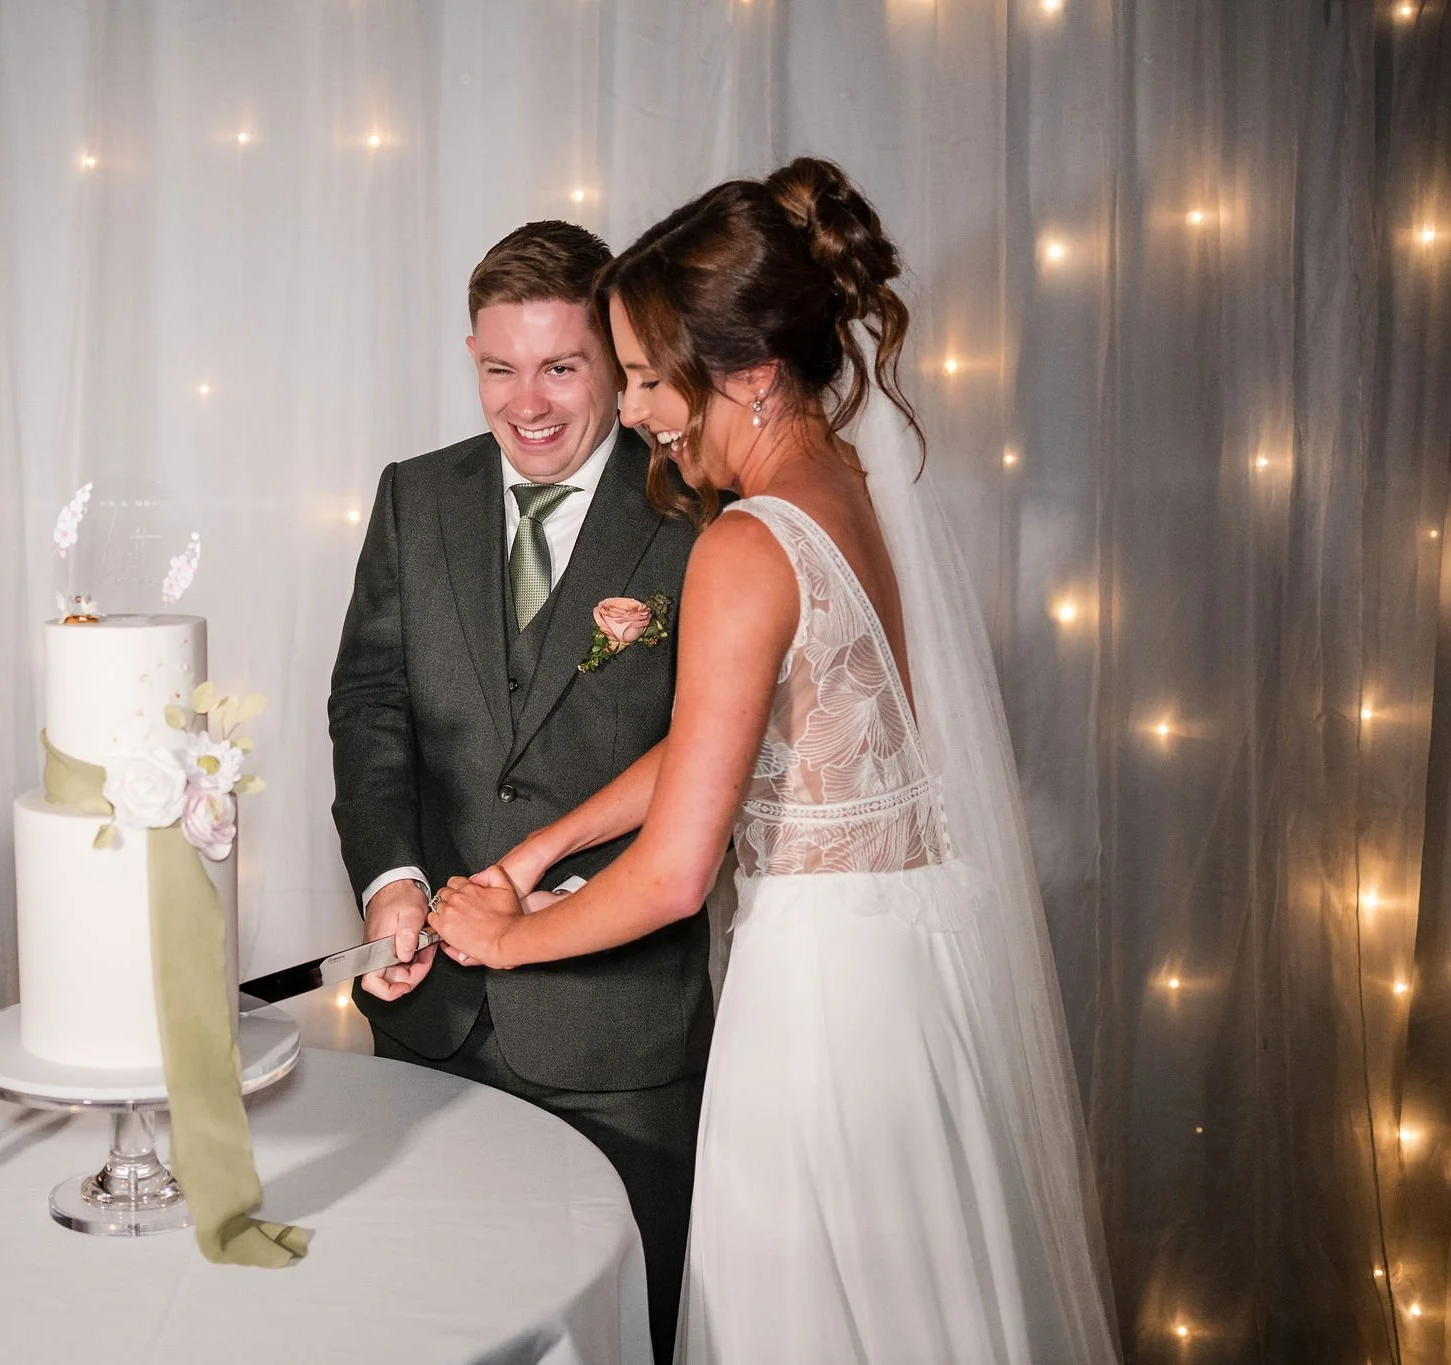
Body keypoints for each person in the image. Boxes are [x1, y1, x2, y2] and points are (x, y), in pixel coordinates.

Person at [431, 160, 1122, 1363]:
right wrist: (542, 847)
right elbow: (725, 737)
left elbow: (673, 876)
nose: (635, 408)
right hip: (903, 967)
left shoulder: (744, 546)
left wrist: (505, 936)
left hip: (816, 1006)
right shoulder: (841, 485)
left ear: (745, 375)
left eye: (647, 377)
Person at [328, 220, 710, 1362]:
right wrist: (390, 881)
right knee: (430, 1320)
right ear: (469, 356)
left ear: (618, 359)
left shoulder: (695, 513)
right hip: (430, 1021)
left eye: (560, 367)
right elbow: (371, 709)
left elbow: (716, 763)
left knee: (611, 1336)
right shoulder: (413, 496)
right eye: (499, 368)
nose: (525, 404)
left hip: (617, 1038)